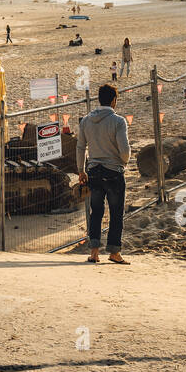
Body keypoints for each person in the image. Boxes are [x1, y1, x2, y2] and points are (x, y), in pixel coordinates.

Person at [75, 84, 131, 265]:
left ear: (99, 99)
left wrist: (81, 169)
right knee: (116, 213)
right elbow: (124, 149)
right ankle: (114, 252)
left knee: (96, 212)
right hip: (113, 171)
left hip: (93, 171)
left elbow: (81, 147)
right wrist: (124, 161)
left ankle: (94, 252)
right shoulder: (118, 121)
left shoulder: (85, 121)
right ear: (114, 100)